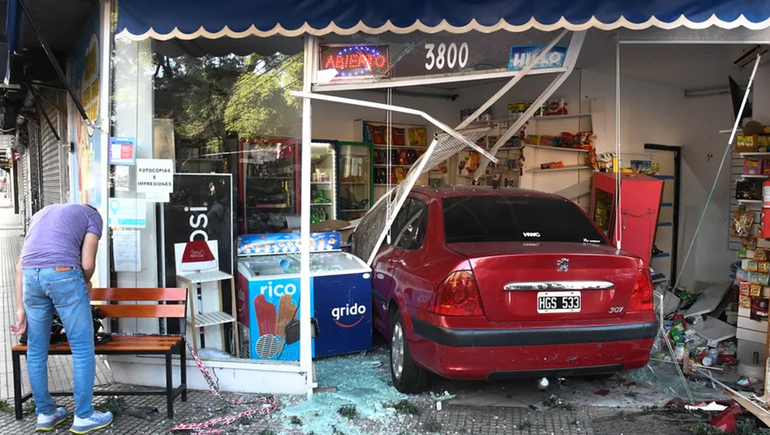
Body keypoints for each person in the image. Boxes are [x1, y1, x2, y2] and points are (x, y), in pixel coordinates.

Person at [11, 203, 113, 433]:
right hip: (63, 273)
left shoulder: (41, 214)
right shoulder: (93, 216)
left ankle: (45, 414)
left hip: (30, 277)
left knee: (36, 349)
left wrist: (20, 309)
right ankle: (84, 415)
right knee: (82, 347)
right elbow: (87, 263)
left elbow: (20, 265)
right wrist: (84, 283)